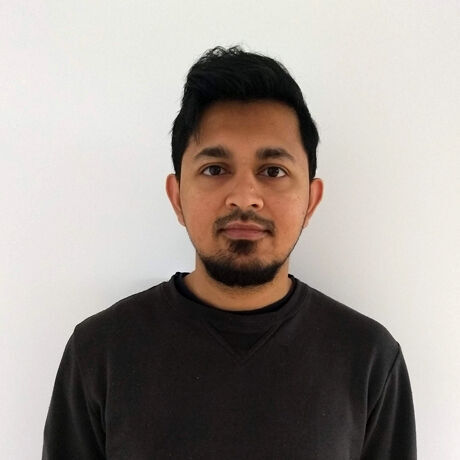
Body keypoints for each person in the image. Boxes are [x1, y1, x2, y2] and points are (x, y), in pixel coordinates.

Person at [42, 46, 417, 459]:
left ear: (311, 201)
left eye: (273, 171)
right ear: (177, 197)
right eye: (215, 169)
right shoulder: (100, 353)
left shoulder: (368, 359)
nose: (244, 196)